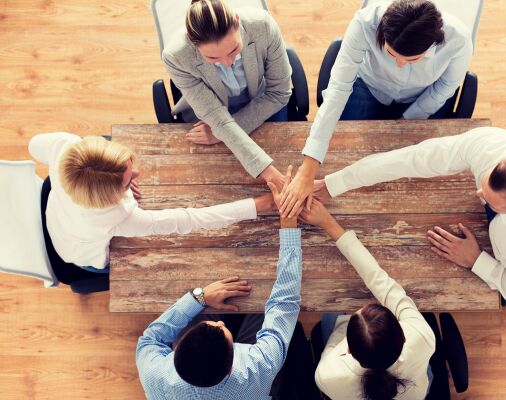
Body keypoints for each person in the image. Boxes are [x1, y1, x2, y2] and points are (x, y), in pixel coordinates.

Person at [311, 127, 506, 318]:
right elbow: (415, 158)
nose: (478, 195)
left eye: (490, 201)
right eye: (484, 185)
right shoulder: (494, 146)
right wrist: (337, 182)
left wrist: (478, 262)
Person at [279, 0, 473, 217]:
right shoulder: (364, 23)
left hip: (422, 97)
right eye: (390, 55)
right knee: (344, 152)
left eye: (413, 60)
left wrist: (408, 119)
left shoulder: (459, 40)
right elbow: (337, 90)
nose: (399, 65)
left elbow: (445, 88)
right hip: (369, 87)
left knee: (415, 168)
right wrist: (308, 168)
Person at [136, 166, 306, 399]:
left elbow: (151, 338)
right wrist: (288, 223)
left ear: (176, 352)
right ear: (231, 368)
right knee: (263, 311)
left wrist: (200, 297)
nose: (217, 323)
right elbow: (284, 303)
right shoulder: (257, 369)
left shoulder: (155, 374)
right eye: (221, 329)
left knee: (219, 306)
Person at [28, 132, 274, 272]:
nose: (137, 176)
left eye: (129, 166)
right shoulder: (120, 216)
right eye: (127, 181)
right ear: (107, 197)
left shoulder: (64, 147)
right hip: (81, 254)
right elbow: (190, 219)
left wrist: (116, 184)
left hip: (58, 214)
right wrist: (261, 204)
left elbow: (32, 147)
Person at [300, 200, 435, 399]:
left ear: (348, 350)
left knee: (331, 310)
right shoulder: (421, 337)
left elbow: (334, 341)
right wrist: (329, 223)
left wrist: (329, 224)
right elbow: (384, 284)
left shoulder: (328, 375)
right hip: (413, 387)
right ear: (404, 337)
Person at [163, 0, 292, 187]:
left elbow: (279, 93)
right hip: (210, 114)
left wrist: (220, 134)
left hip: (264, 103)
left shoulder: (263, 25)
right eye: (213, 58)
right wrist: (269, 174)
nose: (228, 62)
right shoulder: (175, 56)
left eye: (234, 50)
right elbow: (218, 119)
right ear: (192, 42)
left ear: (238, 22)